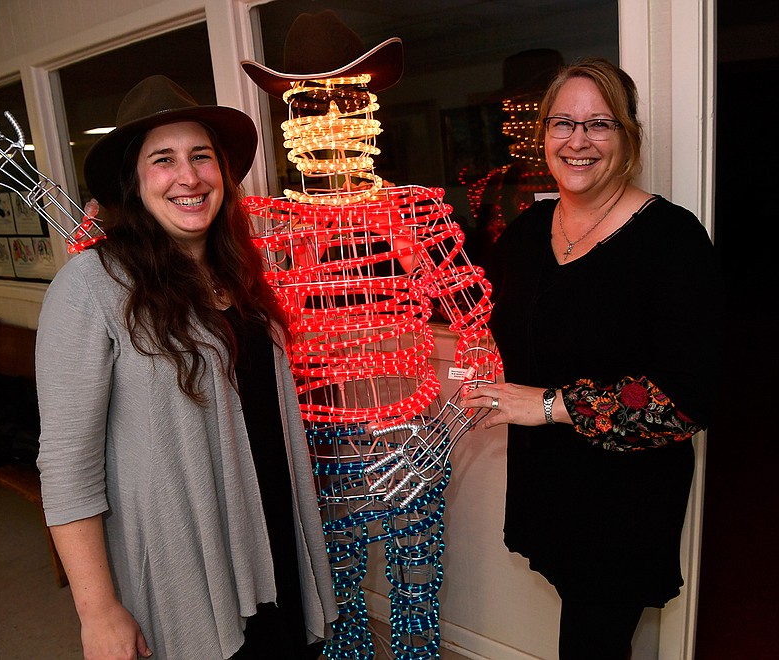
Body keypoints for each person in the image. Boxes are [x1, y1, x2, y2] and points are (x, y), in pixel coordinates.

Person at [36, 75, 338, 660]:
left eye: (201, 156)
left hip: (270, 530)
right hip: (187, 554)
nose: (189, 177)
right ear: (134, 180)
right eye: (163, 160)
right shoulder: (92, 285)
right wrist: (97, 611)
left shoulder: (237, 275)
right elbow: (68, 465)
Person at [240, 10, 497, 658]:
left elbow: (479, 347)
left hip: (412, 446)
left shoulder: (417, 212)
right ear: (290, 115)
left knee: (416, 605)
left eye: (346, 97)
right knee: (337, 613)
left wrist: (434, 442)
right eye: (310, 100)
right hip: (318, 461)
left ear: (367, 107)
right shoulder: (260, 229)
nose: (329, 113)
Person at [463, 57, 722, 659]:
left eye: (599, 124)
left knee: (592, 641)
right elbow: (506, 334)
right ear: (544, 135)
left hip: (625, 500)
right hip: (548, 483)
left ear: (627, 136)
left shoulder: (673, 240)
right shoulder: (525, 236)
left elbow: (684, 402)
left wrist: (550, 404)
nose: (578, 141)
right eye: (563, 123)